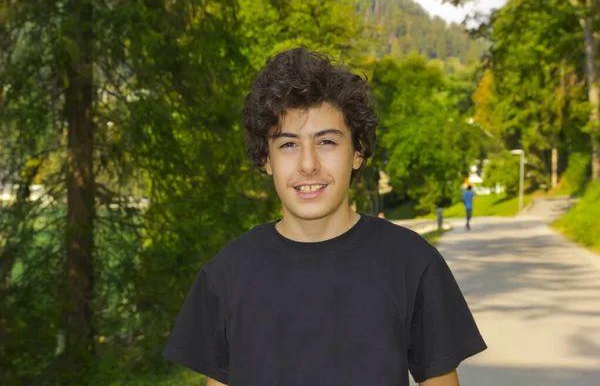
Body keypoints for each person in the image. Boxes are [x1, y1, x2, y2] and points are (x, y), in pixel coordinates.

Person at [162, 47, 487, 386]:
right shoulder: (226, 276)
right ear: (266, 159)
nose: (307, 164)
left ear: (358, 151)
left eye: (327, 142)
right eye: (288, 144)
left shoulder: (412, 263)